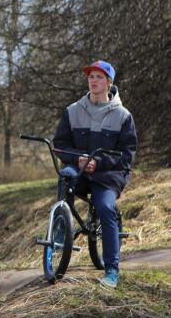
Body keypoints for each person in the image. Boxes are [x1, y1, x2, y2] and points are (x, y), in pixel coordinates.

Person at [53, 60, 137, 288]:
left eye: (99, 77)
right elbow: (60, 144)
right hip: (78, 168)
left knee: (106, 208)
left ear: (109, 82)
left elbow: (126, 155)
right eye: (91, 76)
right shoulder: (73, 111)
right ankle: (61, 230)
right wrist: (77, 158)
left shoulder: (123, 116)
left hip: (109, 174)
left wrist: (98, 163)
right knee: (65, 177)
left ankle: (111, 270)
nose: (94, 80)